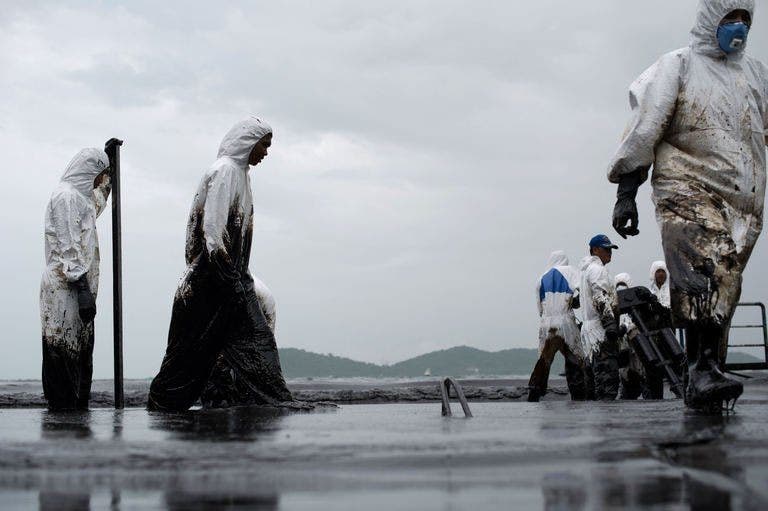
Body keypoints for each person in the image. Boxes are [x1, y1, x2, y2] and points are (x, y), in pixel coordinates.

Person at [608, 0, 766, 409]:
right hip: (686, 188)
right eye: (730, 18)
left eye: (745, 20)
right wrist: (627, 193)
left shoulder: (755, 75)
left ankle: (706, 372)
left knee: (725, 285)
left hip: (743, 204)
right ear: (711, 20)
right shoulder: (677, 66)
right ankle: (701, 370)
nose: (739, 28)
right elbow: (645, 130)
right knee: (708, 270)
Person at [148, 117, 293, 411]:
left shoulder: (241, 175)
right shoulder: (225, 171)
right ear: (247, 142)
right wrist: (230, 279)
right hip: (212, 278)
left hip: (229, 276)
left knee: (251, 339)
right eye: (263, 145)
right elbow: (212, 233)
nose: (265, 152)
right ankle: (164, 405)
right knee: (188, 355)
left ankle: (263, 399)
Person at [40, 141, 118, 410]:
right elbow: (68, 245)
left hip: (77, 287)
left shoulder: (80, 199)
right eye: (100, 175)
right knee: (62, 349)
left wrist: (110, 179)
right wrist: (83, 288)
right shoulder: (66, 197)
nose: (100, 181)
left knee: (80, 352)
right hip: (64, 289)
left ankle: (74, 409)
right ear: (89, 171)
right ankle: (62, 411)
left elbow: (95, 204)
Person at [527, 251, 587, 402]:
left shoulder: (541, 278)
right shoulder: (571, 271)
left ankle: (534, 394)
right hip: (565, 321)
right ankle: (578, 395)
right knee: (574, 359)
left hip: (547, 323)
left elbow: (540, 308)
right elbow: (584, 289)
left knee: (543, 361)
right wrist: (575, 302)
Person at [580, 235, 620, 401]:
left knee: (596, 374)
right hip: (599, 329)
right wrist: (610, 324)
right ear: (595, 250)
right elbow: (600, 296)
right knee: (607, 374)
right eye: (606, 249)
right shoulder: (597, 269)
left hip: (590, 331)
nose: (609, 252)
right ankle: (606, 412)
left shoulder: (585, 271)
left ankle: (597, 410)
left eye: (611, 249)